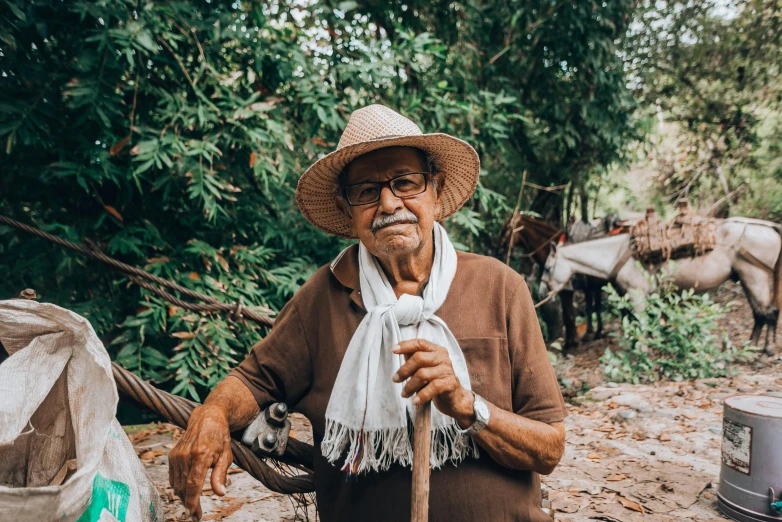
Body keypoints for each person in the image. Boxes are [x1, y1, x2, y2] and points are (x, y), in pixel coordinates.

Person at [169, 104, 567, 522]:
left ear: (436, 189)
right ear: (347, 209)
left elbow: (549, 448)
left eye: (406, 182)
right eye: (366, 191)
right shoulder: (322, 298)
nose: (389, 202)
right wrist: (211, 414)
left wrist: (466, 405)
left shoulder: (498, 287)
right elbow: (252, 381)